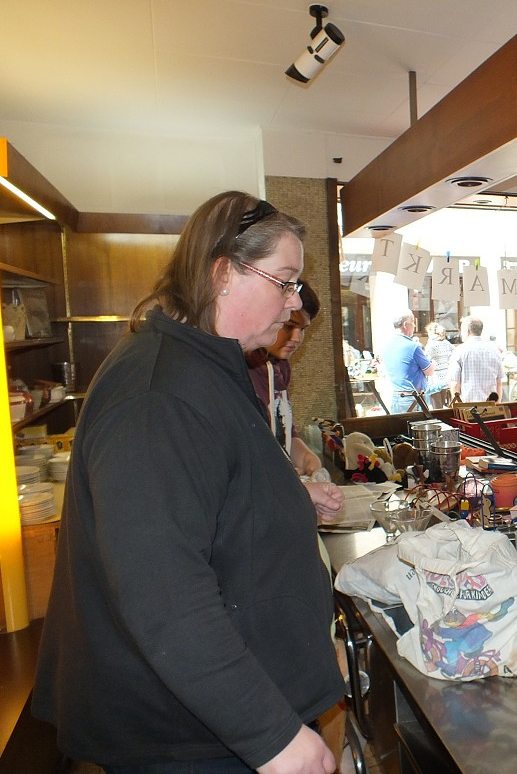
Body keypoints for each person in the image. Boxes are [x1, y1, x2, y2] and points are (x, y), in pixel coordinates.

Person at [33, 192, 343, 773]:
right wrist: (273, 737)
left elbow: (216, 496)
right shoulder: (158, 395)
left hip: (214, 720)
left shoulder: (205, 368)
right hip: (190, 736)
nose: (295, 302)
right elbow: (164, 593)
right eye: (284, 280)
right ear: (222, 273)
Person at [247, 281, 323, 476]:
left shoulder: (280, 367)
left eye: (303, 329)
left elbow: (284, 434)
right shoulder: (241, 372)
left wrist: (306, 457)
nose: (296, 338)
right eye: (289, 326)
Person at [380, 311, 433, 413]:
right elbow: (429, 371)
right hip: (412, 398)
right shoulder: (413, 346)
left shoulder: (386, 345)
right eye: (413, 322)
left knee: (399, 428)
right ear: (405, 325)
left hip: (395, 397)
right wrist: (433, 364)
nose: (414, 326)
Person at [448, 316, 503, 402]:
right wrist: (498, 404)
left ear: (467, 331)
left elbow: (455, 384)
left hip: (468, 408)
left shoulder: (459, 351)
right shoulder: (494, 351)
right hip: (491, 407)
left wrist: (456, 407)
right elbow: (498, 382)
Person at [424, 321, 454, 408]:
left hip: (435, 377)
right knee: (447, 403)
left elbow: (427, 359)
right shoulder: (446, 343)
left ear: (431, 332)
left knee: (436, 405)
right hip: (446, 376)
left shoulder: (431, 344)